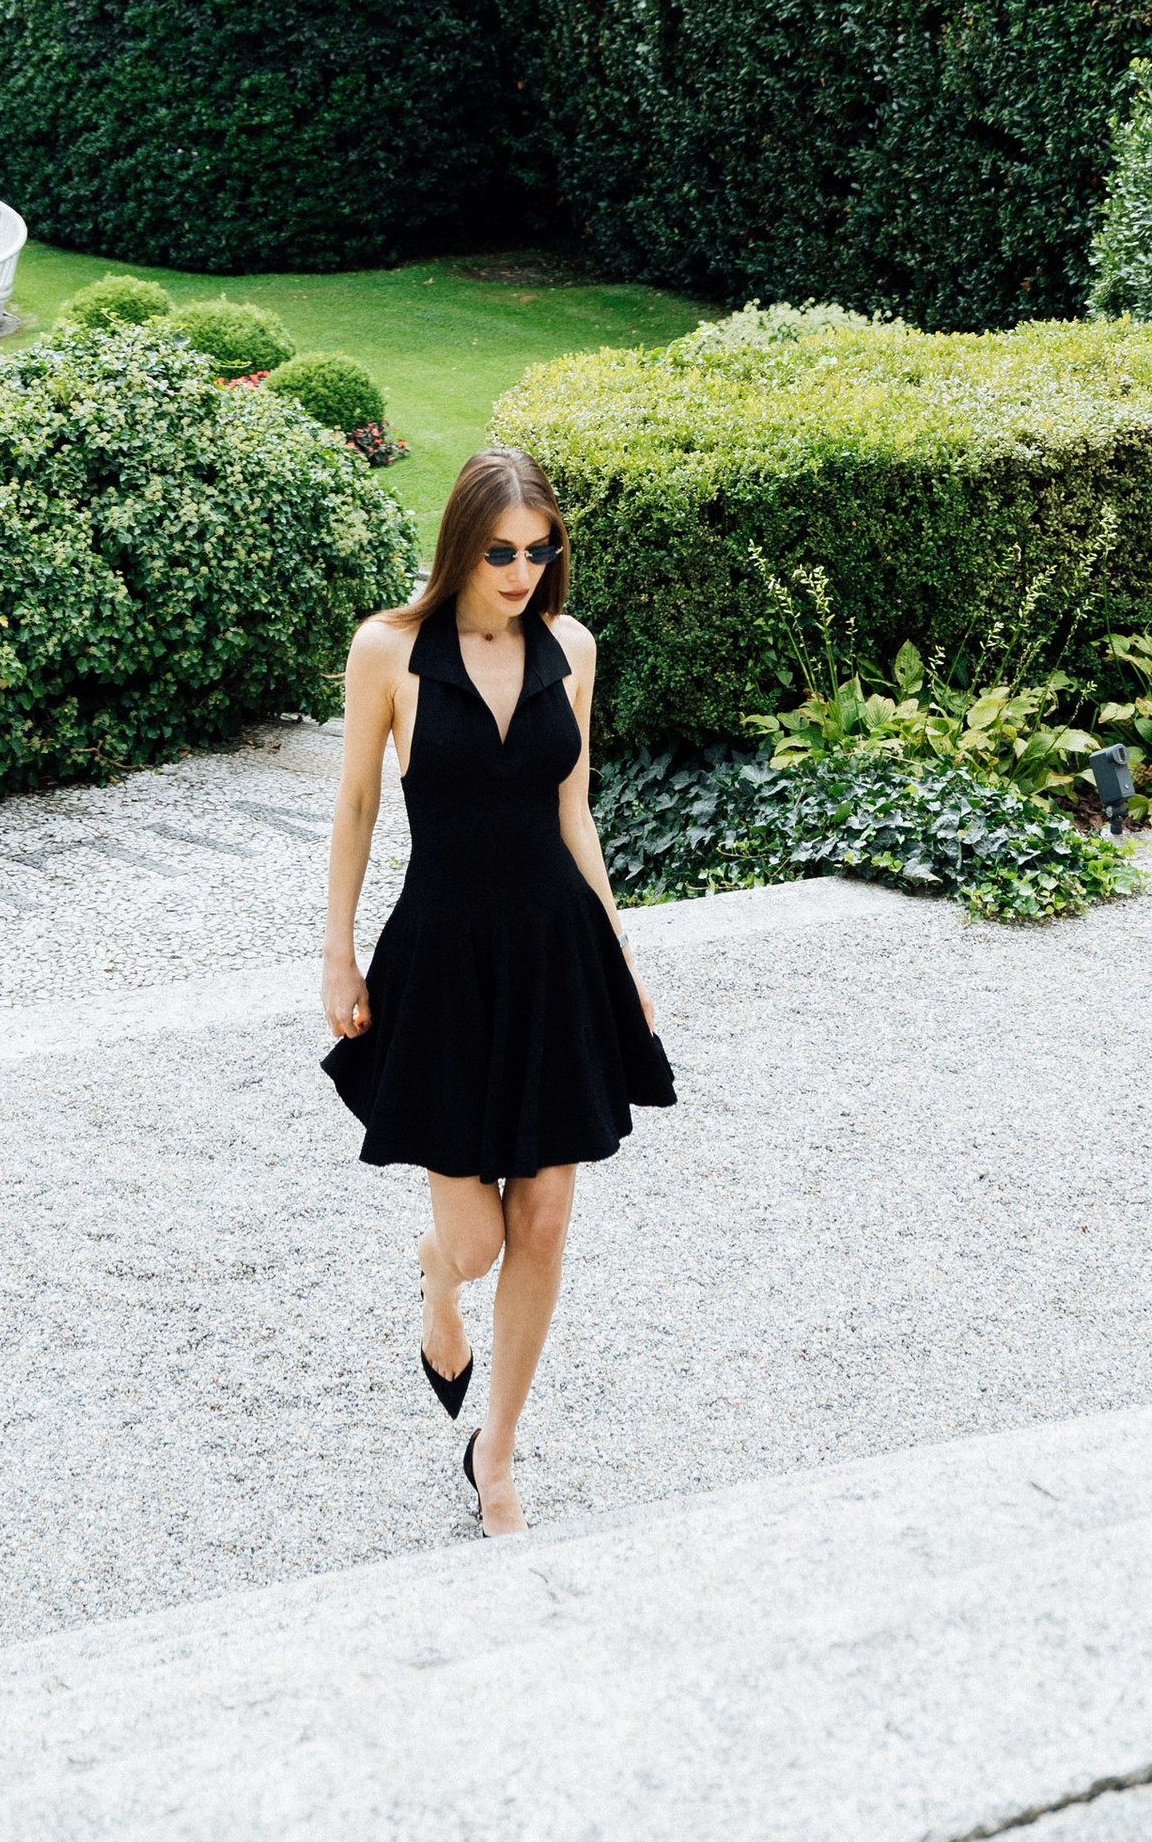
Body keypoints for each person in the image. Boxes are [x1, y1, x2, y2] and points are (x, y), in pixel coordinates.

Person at [320, 445, 675, 1537]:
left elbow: (575, 815)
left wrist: (621, 956)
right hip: (444, 960)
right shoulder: (388, 649)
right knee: (474, 1242)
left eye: (538, 548)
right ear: (460, 544)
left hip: (553, 949)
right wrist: (336, 954)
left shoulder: (571, 645)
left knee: (549, 1215)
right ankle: (436, 1284)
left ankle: (498, 1449)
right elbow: (356, 811)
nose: (522, 570)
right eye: (499, 550)